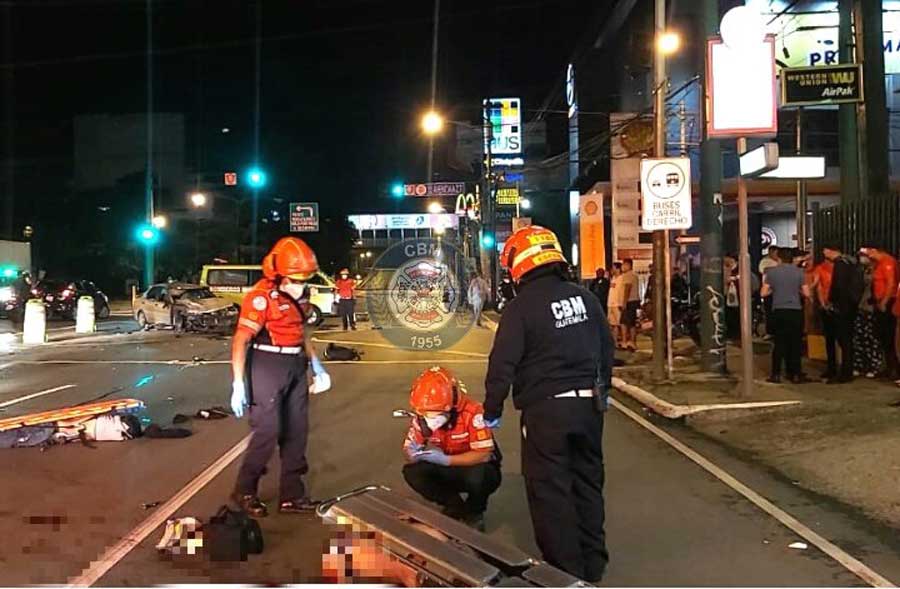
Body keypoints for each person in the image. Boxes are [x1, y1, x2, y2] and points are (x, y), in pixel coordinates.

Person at [484, 225, 614, 582]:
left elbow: (502, 365)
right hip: (588, 407)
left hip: (546, 411)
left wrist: (492, 410)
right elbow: (607, 347)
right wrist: (605, 391)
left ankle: (566, 573)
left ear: (519, 264)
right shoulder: (585, 298)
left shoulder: (520, 308)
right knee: (587, 482)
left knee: (550, 490)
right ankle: (594, 564)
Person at [229, 236, 331, 517]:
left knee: (297, 430)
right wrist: (238, 383)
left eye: (304, 279)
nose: (301, 284)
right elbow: (241, 340)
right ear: (279, 275)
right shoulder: (260, 298)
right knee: (268, 430)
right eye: (296, 279)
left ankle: (292, 494)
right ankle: (245, 490)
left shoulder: (302, 296)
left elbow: (301, 333)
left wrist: (316, 365)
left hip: (295, 363)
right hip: (266, 363)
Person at [401, 366, 501, 531]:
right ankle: (453, 504)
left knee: (482, 477)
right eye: (426, 414)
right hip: (450, 466)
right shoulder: (422, 418)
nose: (430, 419)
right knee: (412, 472)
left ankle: (475, 511)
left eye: (435, 413)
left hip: (473, 466)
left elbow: (483, 455)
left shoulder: (473, 412)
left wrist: (445, 460)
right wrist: (414, 452)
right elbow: (409, 447)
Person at [761, 248, 810, 384]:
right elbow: (807, 293)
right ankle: (795, 374)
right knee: (795, 344)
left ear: (779, 258)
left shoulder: (771, 272)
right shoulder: (800, 272)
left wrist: (774, 290)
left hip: (779, 310)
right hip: (795, 310)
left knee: (779, 343)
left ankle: (776, 374)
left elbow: (763, 293)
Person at [822, 243, 864, 383]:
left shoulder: (840, 264)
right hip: (851, 305)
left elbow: (838, 286)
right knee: (846, 340)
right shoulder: (851, 262)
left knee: (842, 340)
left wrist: (831, 301)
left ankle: (844, 372)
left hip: (841, 306)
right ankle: (847, 370)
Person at [863, 243, 899, 381]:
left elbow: (890, 284)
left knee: (888, 336)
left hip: (887, 302)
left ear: (874, 249)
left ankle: (894, 369)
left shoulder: (887, 262)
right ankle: (889, 367)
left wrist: (884, 302)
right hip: (880, 301)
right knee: (883, 337)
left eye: (868, 250)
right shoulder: (879, 263)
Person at [853, 251, 884, 379]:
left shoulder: (876, 270)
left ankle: (874, 365)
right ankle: (862, 364)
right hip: (861, 306)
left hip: (870, 308)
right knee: (860, 338)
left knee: (871, 338)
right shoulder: (863, 270)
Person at [619, 258, 640, 352]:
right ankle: (632, 342)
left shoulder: (628, 275)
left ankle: (625, 342)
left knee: (624, 322)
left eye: (624, 265)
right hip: (634, 301)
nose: (622, 267)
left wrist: (624, 302)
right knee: (632, 323)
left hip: (629, 301)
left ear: (628, 265)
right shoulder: (634, 275)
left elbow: (627, 289)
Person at [607, 263, 624, 347]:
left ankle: (622, 340)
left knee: (619, 323)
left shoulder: (622, 278)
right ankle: (614, 342)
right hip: (610, 303)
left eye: (613, 268)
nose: (612, 270)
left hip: (617, 304)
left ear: (617, 269)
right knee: (613, 324)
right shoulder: (613, 278)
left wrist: (621, 302)